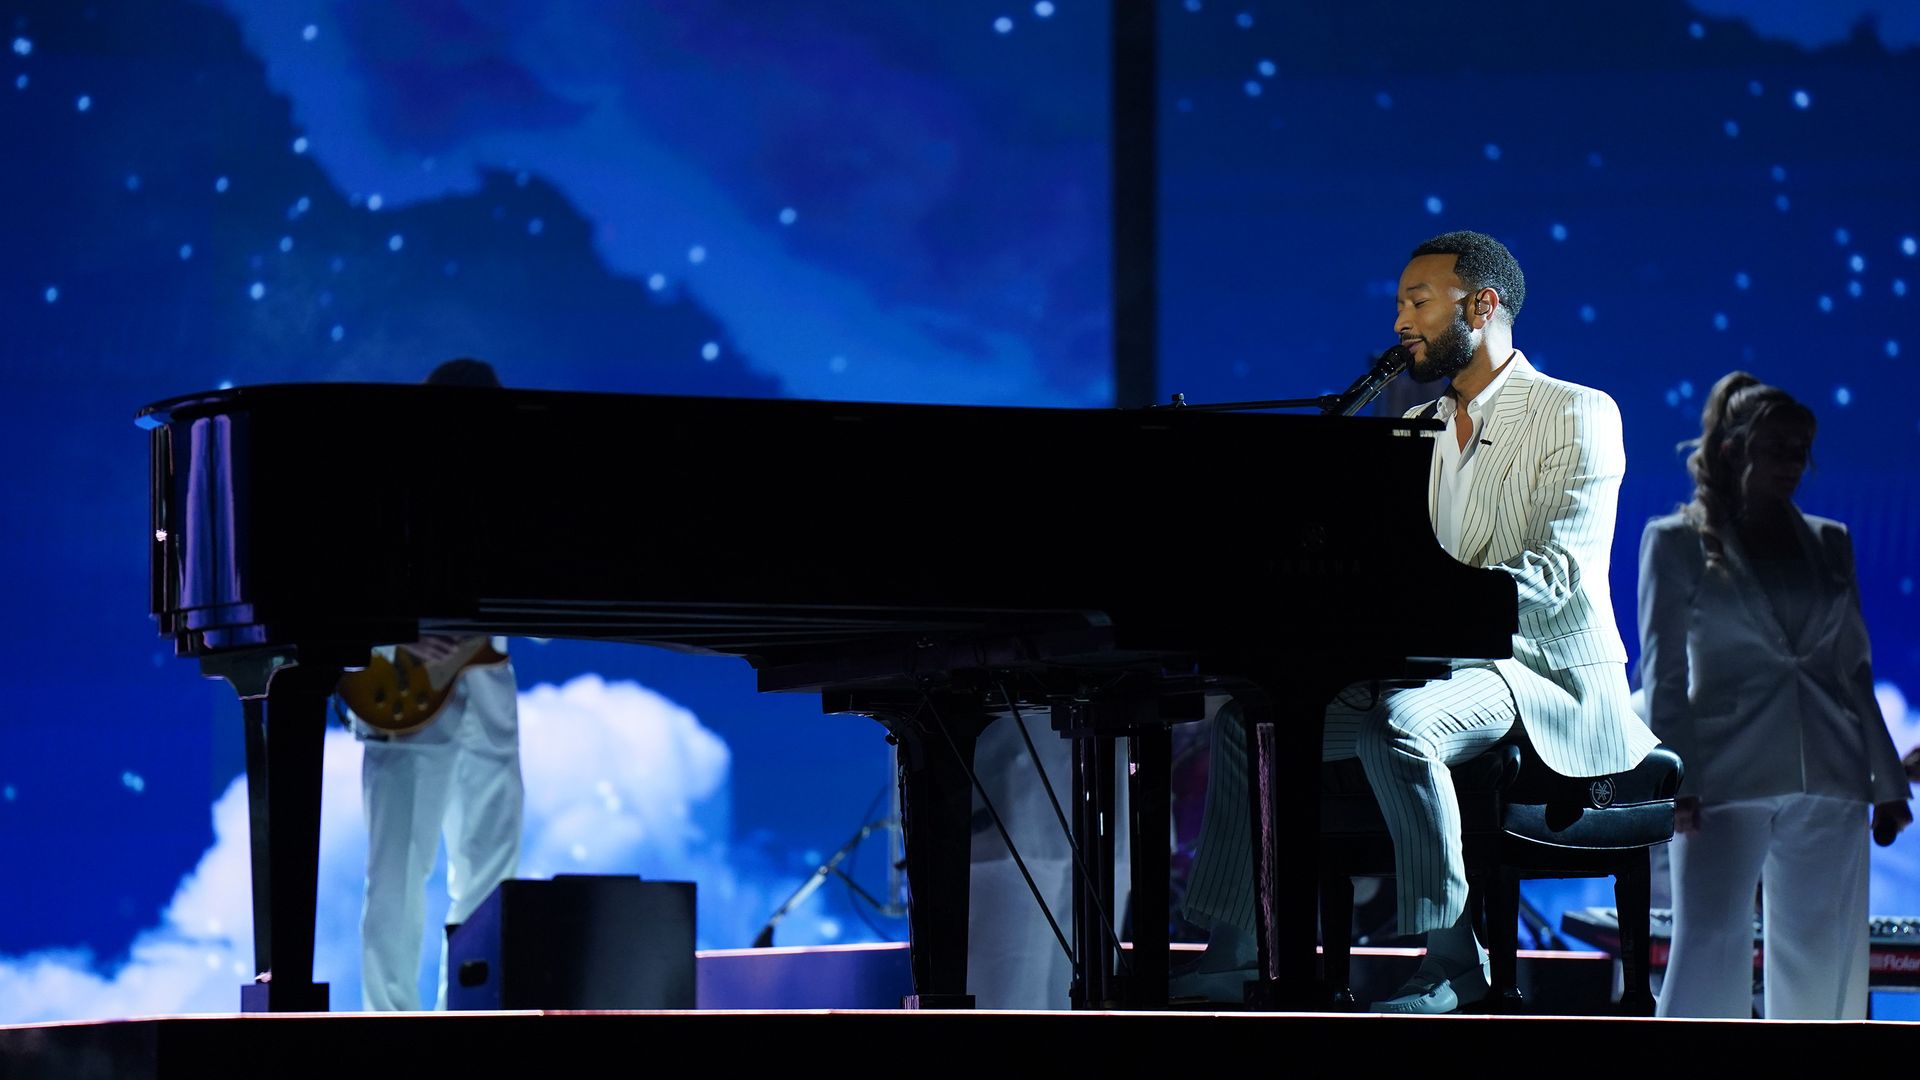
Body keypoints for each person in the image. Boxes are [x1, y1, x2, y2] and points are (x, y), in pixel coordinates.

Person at [1173, 230, 1660, 1013]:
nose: (1401, 319)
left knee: (1398, 727)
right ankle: (1238, 949)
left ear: (1483, 304)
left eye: (1418, 301)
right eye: (1400, 301)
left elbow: (1558, 572)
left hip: (1538, 672)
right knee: (1249, 725)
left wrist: (1427, 607)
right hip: (1443, 664)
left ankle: (1452, 963)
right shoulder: (1420, 427)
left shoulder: (1577, 412)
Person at [1640, 372, 1911, 1019]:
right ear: (1734, 448)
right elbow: (1665, 675)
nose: (1795, 461)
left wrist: (1888, 781)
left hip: (1831, 769)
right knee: (1709, 943)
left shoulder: (1830, 540)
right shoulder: (1674, 542)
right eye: (1780, 445)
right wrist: (1675, 779)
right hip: (1722, 773)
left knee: (1822, 952)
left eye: (1803, 447)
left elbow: (1853, 669)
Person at [349, 357, 525, 1011]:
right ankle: (389, 1024)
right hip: (406, 688)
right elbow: (335, 577)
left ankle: (475, 1018)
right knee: (396, 875)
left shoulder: (509, 493)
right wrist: (397, 634)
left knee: (491, 871)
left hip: (488, 686)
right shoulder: (388, 489)